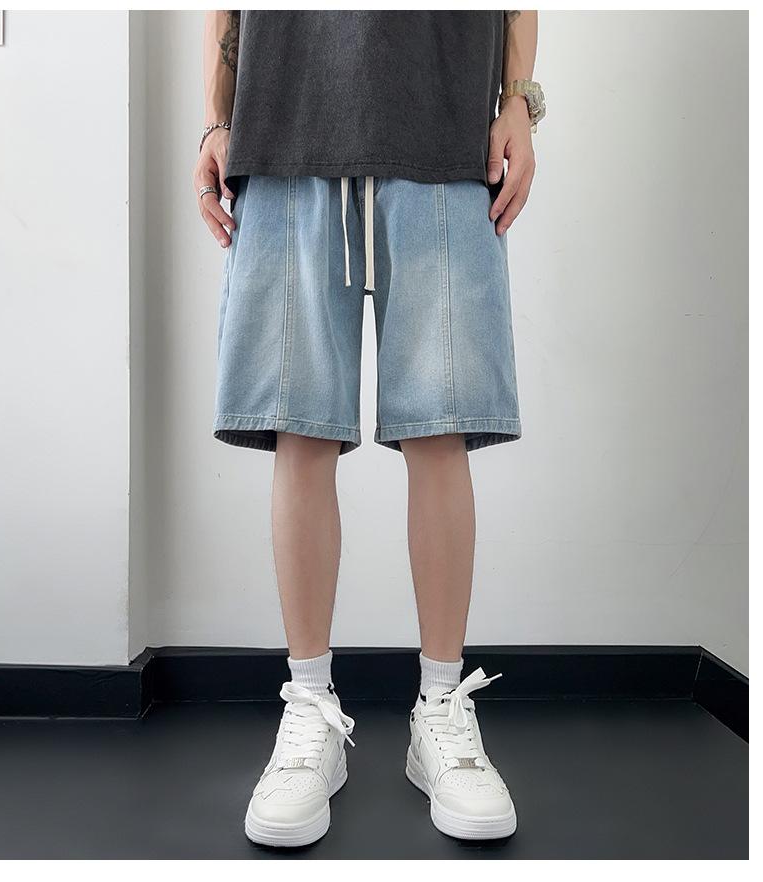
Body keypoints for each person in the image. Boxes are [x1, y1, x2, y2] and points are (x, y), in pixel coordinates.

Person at [193, 10, 543, 847]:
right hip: (284, 123)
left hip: (445, 125)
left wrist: (519, 102)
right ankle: (310, 705)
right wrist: (215, 117)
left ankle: (441, 708)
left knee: (441, 429)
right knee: (299, 430)